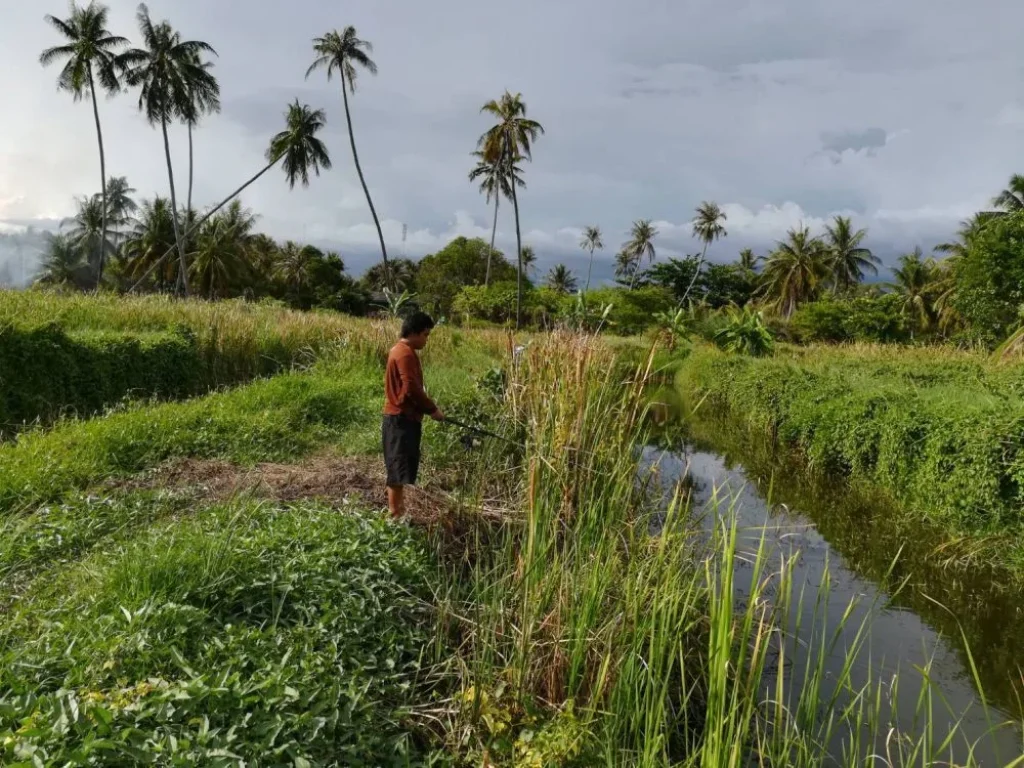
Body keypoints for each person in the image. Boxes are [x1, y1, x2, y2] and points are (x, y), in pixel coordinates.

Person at [382, 311, 445, 519]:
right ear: (414, 333)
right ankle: (395, 515)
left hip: (402, 418)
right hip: (400, 419)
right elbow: (411, 388)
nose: (426, 340)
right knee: (397, 469)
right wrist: (432, 409)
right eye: (425, 335)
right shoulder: (404, 353)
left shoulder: (402, 351)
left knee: (398, 467)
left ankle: (398, 513)